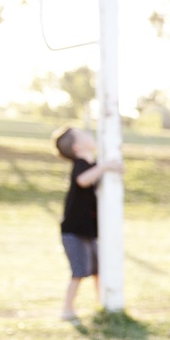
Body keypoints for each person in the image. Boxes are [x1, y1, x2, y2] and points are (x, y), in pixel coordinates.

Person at [53, 126, 121, 323]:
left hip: (88, 231)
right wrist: (105, 166)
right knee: (79, 271)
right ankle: (67, 309)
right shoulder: (81, 164)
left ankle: (103, 303)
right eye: (83, 135)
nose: (89, 135)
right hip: (74, 231)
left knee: (99, 269)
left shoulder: (91, 164)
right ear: (77, 147)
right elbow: (83, 180)